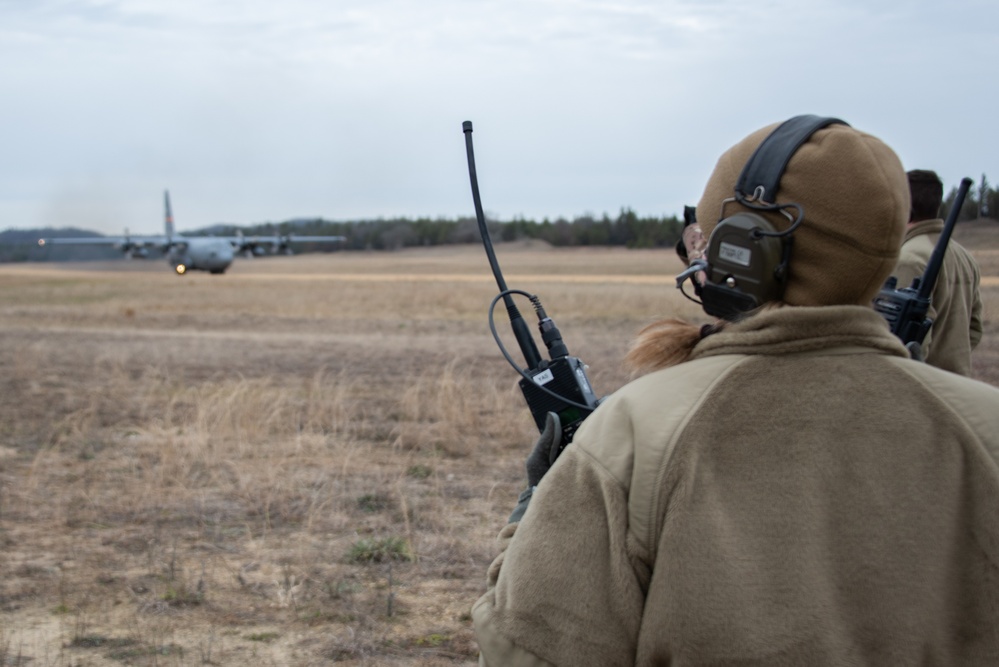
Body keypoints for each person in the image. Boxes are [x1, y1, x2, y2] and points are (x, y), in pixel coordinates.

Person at [472, 118, 999, 665]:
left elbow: (525, 653)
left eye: (707, 237)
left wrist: (532, 515)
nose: (697, 253)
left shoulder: (637, 431)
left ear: (748, 252)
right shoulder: (986, 429)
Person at [889, 169, 984, 375]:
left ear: (906, 207)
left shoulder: (908, 259)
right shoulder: (964, 257)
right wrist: (951, 360)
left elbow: (909, 341)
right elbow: (974, 329)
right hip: (955, 386)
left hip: (920, 388)